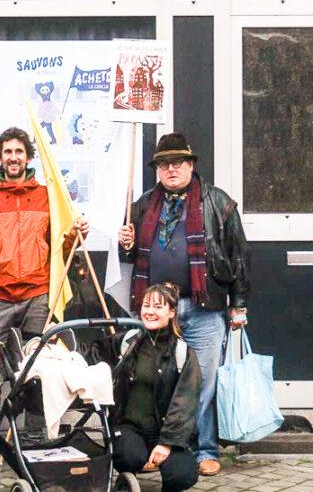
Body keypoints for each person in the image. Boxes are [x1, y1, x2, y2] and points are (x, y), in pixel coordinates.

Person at [118, 132, 250, 477]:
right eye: (164, 163)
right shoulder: (144, 203)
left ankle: (203, 448)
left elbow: (239, 256)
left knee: (203, 381)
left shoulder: (218, 203)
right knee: (156, 379)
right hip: (157, 311)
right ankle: (161, 447)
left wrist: (238, 305)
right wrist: (126, 245)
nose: (171, 169)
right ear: (157, 170)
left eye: (178, 162)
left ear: (191, 165)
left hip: (203, 307)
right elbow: (129, 257)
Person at [0, 127, 86, 481]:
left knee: (40, 373)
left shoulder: (47, 197)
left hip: (36, 296)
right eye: (7, 152)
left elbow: (61, 254)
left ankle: (34, 444)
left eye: (19, 152)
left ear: (28, 157)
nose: (13, 158)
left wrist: (75, 237)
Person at [108, 282, 200, 492]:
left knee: (183, 475)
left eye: (158, 307)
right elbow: (93, 354)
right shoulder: (127, 343)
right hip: (131, 428)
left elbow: (185, 403)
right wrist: (63, 344)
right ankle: (128, 476)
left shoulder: (183, 353)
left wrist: (167, 443)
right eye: (146, 306)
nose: (150, 312)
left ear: (171, 312)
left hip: (166, 431)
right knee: (126, 456)